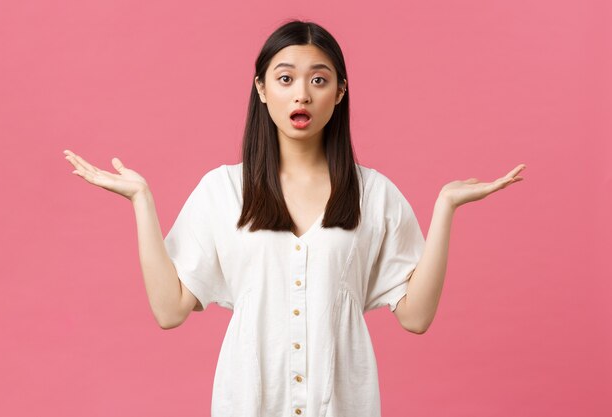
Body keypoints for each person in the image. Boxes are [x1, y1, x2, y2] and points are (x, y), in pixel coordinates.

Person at [63, 19, 525, 417]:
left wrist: (444, 207)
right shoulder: (223, 191)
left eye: (319, 80)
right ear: (262, 89)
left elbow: (416, 317)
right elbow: (170, 310)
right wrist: (142, 201)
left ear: (340, 91)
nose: (301, 93)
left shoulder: (374, 195)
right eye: (285, 79)